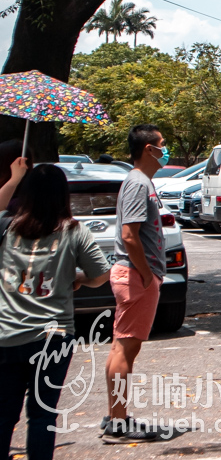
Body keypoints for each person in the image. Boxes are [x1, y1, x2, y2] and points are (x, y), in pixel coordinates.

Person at [0, 158, 110, 460]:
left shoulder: (7, 228)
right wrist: (77, 280)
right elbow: (101, 274)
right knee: (42, 415)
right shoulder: (74, 231)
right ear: (64, 195)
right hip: (53, 338)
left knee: (3, 414)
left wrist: (13, 178)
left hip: (6, 334)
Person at [103, 124, 168, 443]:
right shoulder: (137, 183)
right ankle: (117, 421)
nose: (164, 151)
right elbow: (130, 235)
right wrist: (145, 274)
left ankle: (117, 416)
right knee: (126, 348)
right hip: (135, 276)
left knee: (122, 346)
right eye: (162, 146)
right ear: (148, 149)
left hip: (136, 275)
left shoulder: (142, 182)